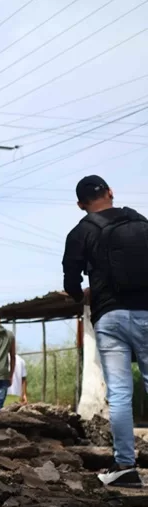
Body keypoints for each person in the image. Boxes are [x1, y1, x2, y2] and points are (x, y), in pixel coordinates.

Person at [63, 175, 148, 488]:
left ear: (80, 204)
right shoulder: (141, 222)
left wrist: (80, 295)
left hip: (110, 316)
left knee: (121, 394)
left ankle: (125, 467)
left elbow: (71, 280)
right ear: (111, 192)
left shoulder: (82, 231)